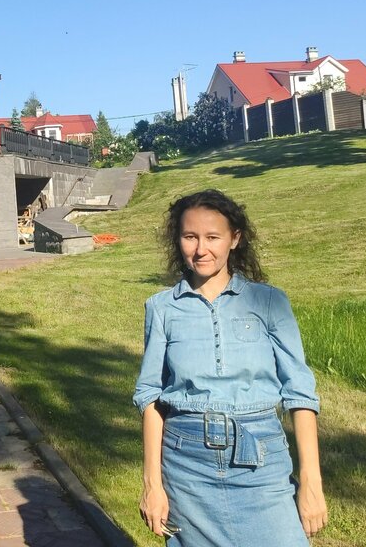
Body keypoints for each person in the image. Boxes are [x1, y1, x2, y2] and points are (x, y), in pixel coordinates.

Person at [134, 189, 327, 547]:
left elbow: (300, 394)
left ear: (234, 239)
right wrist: (153, 485)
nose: (200, 249)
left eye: (212, 237)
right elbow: (150, 397)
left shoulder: (269, 302)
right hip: (186, 464)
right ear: (178, 240)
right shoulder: (161, 308)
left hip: (262, 459)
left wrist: (311, 483)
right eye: (190, 236)